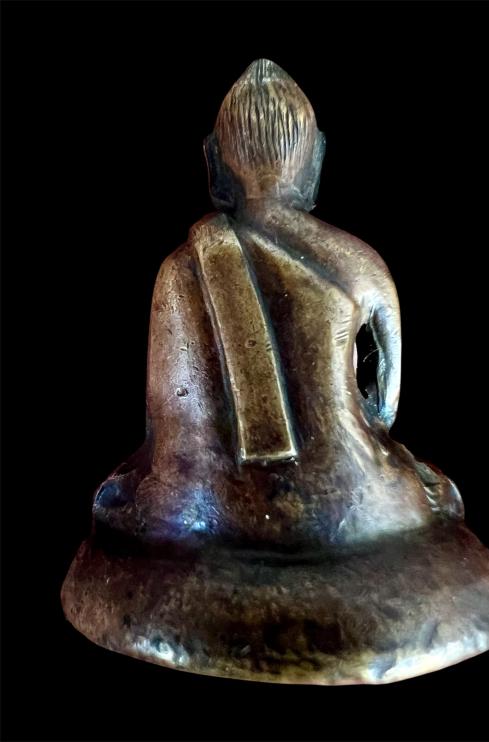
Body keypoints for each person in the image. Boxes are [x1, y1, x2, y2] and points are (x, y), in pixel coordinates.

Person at [94, 58, 462, 550]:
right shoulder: (363, 266)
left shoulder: (180, 270)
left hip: (214, 508)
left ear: (213, 161)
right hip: (357, 502)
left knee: (139, 505)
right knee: (421, 491)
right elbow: (385, 408)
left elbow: (166, 435)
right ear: (317, 158)